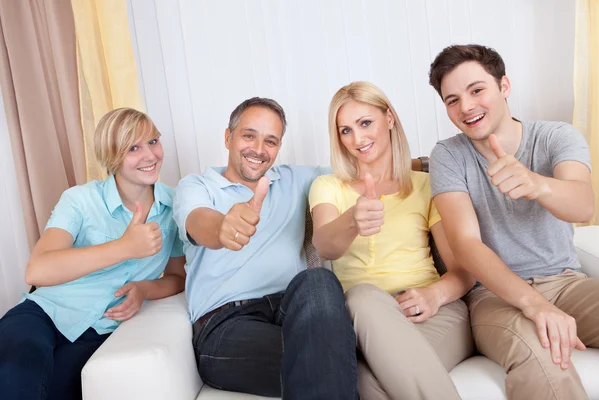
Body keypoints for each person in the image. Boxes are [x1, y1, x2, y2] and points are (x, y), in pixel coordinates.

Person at [428, 44, 598, 400]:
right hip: (495, 296)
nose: (467, 107)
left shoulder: (556, 137)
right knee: (545, 357)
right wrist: (533, 304)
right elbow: (466, 245)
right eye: (452, 100)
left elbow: (584, 207)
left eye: (477, 90)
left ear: (504, 86)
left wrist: (538, 184)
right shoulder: (448, 155)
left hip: (566, 281)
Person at [173, 97, 357, 399]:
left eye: (270, 141)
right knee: (330, 356)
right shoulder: (196, 187)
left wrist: (426, 164)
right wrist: (222, 228)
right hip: (226, 324)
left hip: (293, 309)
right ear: (228, 137)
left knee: (319, 280)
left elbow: (362, 166)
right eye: (249, 136)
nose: (259, 149)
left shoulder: (295, 180)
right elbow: (198, 222)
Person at [0, 108, 186, 400]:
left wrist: (144, 289)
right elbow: (37, 271)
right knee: (15, 373)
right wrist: (123, 247)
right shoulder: (80, 200)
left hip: (99, 331)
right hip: (43, 314)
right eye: (134, 148)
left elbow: (177, 277)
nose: (150, 155)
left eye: (153, 141)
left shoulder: (174, 206)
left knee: (57, 390)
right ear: (112, 156)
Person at [309, 81, 475, 400]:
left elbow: (463, 269)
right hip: (363, 315)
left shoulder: (427, 185)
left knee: (371, 385)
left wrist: (434, 296)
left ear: (389, 118)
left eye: (365, 123)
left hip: (434, 310)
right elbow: (325, 246)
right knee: (362, 297)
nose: (357, 139)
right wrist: (352, 219)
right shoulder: (327, 186)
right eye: (345, 131)